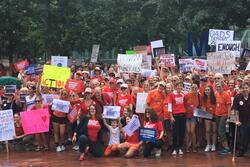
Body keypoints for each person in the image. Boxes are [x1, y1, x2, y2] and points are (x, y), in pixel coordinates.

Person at [232, 83, 250, 157]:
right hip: (242, 120)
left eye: (246, 88)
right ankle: (242, 150)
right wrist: (236, 120)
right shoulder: (237, 97)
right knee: (243, 136)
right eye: (243, 88)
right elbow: (235, 110)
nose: (245, 89)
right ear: (241, 89)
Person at [168, 82, 186, 155]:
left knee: (182, 132)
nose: (179, 87)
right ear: (175, 87)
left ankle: (180, 147)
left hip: (183, 115)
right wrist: (171, 116)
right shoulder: (172, 95)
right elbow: (169, 106)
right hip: (175, 116)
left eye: (181, 86)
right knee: (175, 133)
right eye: (178, 86)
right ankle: (175, 148)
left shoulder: (183, 94)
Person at [214, 82, 231, 154]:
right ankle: (223, 147)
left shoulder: (226, 94)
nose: (218, 88)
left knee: (221, 131)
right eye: (217, 87)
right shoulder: (216, 94)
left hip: (224, 115)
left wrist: (228, 117)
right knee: (219, 131)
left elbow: (229, 106)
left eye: (219, 87)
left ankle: (227, 148)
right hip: (217, 115)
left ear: (222, 87)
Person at [184, 83, 200, 152]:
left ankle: (194, 147)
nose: (194, 89)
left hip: (194, 115)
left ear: (197, 88)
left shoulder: (199, 96)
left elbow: (200, 106)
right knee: (188, 131)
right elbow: (184, 104)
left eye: (195, 88)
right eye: (193, 87)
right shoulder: (187, 95)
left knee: (192, 131)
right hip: (187, 115)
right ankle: (187, 147)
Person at [202, 86, 217, 152]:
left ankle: (213, 144)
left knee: (214, 131)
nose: (207, 91)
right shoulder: (203, 98)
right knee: (207, 130)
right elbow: (203, 107)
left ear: (211, 90)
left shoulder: (215, 97)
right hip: (207, 115)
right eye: (206, 90)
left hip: (214, 115)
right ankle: (208, 144)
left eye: (208, 90)